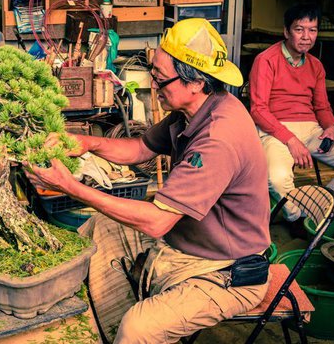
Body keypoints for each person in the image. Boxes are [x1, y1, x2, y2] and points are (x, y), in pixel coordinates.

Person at [24, 18, 271, 343]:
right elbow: (140, 147)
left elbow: (157, 222)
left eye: (160, 79)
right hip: (189, 243)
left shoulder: (218, 138)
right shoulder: (192, 110)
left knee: (139, 328)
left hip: (224, 269)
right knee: (101, 228)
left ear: (195, 82)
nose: (153, 86)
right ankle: (100, 323)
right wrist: (85, 142)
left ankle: (119, 327)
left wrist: (69, 186)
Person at [249, 3, 334, 228]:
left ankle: (315, 211)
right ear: (286, 31)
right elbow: (258, 109)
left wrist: (331, 127)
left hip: (311, 130)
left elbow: (322, 107)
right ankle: (296, 216)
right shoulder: (266, 60)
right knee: (277, 178)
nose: (306, 37)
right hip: (275, 130)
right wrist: (290, 139)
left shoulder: (316, 66)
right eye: (299, 29)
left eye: (313, 30)